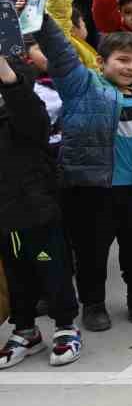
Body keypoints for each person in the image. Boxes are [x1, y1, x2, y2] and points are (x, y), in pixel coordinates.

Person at [39, 16, 132, 333]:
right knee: (91, 253)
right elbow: (60, 52)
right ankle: (93, 304)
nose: (130, 67)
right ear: (101, 61)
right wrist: (40, 17)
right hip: (89, 191)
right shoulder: (82, 87)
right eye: (122, 60)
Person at [0, 52, 80, 368]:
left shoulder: (26, 109)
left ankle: (65, 326)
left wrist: (7, 74)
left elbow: (31, 117)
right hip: (5, 219)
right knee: (16, 273)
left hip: (36, 209)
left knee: (52, 267)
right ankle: (25, 330)